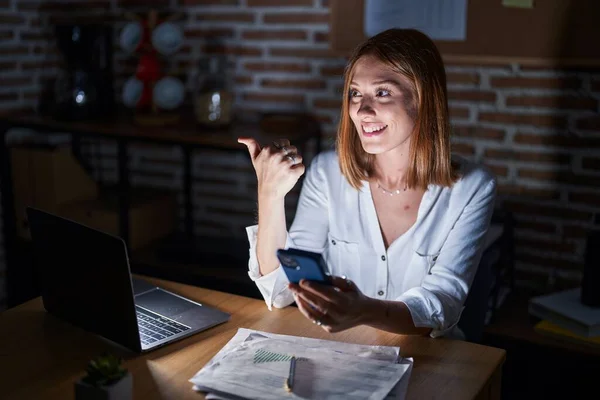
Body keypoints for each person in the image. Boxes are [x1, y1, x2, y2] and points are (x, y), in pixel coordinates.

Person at [238, 28, 497, 339]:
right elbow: (281, 292)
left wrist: (364, 310)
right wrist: (269, 195)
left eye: (383, 92)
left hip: (428, 361)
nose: (361, 110)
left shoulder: (473, 188)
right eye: (355, 93)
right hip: (338, 355)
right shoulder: (327, 172)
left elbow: (442, 304)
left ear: (424, 99)